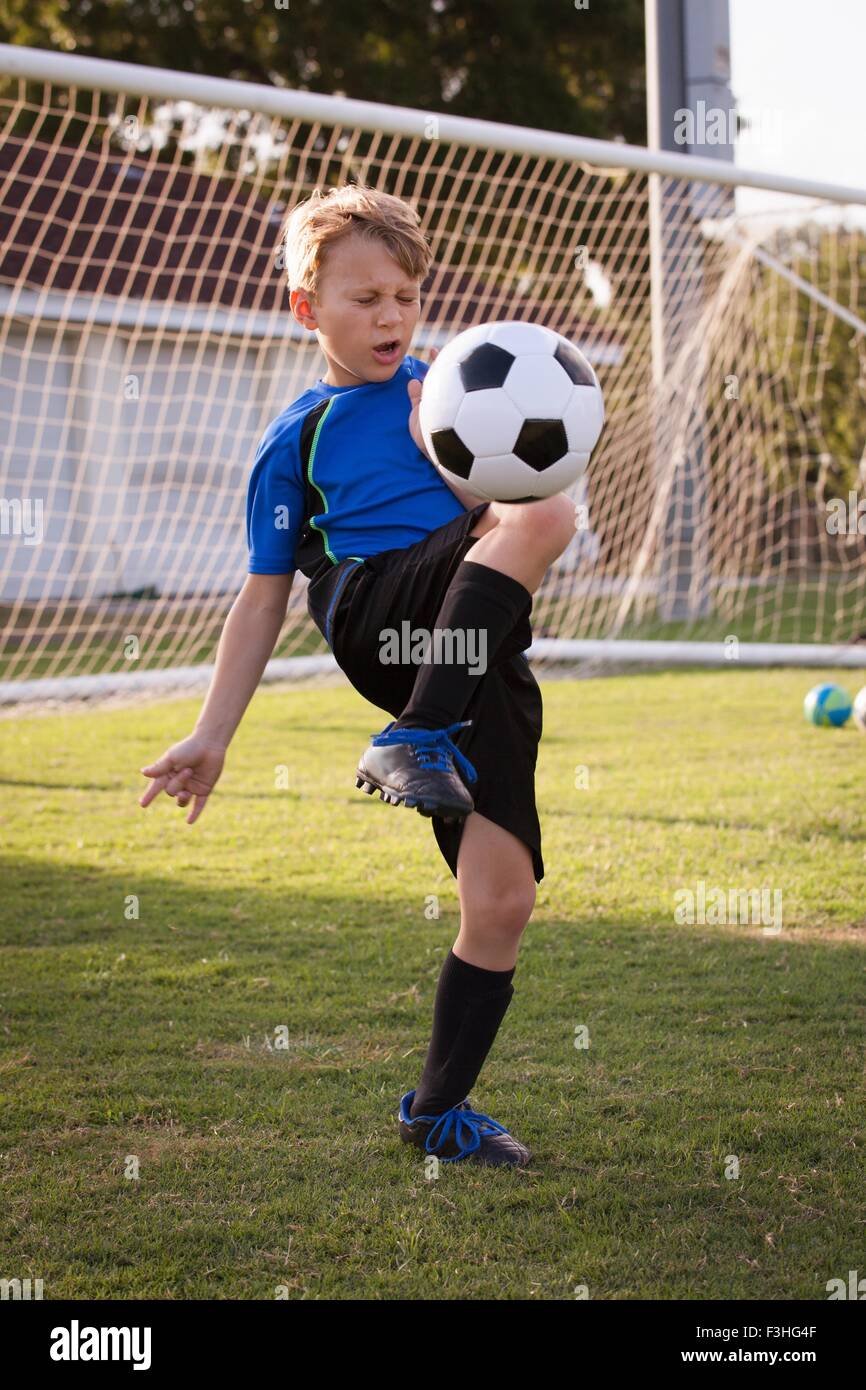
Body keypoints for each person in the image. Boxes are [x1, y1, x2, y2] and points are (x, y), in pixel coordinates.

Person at [139, 184, 577, 1167]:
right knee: (551, 515)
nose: (389, 318)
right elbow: (261, 597)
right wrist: (211, 732)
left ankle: (435, 1111)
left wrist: (439, 442)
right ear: (307, 308)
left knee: (499, 903)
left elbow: (485, 506)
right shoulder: (297, 437)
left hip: (472, 663)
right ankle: (408, 739)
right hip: (376, 614)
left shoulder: (455, 392)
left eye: (405, 298)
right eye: (364, 298)